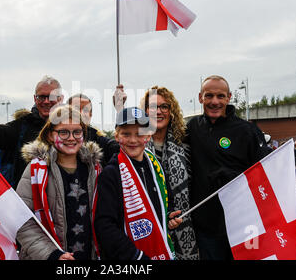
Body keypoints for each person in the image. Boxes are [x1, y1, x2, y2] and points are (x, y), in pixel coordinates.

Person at [185, 75, 269, 260]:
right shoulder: (192, 128)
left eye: (220, 96)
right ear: (200, 98)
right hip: (207, 226)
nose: (214, 101)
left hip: (243, 224)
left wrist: (235, 176)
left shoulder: (248, 131)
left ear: (229, 97)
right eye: (209, 96)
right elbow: (155, 138)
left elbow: (264, 174)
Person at [94, 107, 182, 260]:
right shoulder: (111, 173)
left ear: (148, 136)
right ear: (116, 136)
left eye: (140, 133)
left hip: (159, 251)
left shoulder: (155, 166)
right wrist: (135, 256)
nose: (133, 140)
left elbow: (163, 202)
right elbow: (105, 225)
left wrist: (168, 216)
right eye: (126, 134)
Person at [16, 105, 102, 260]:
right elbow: (22, 220)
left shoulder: (95, 169)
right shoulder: (36, 171)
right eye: (63, 132)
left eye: (77, 131)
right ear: (50, 135)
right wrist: (52, 255)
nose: (71, 138)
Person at [0, 68, 64, 187]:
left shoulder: (75, 128)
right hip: (26, 203)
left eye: (51, 97)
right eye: (42, 97)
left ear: (60, 98)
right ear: (35, 99)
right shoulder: (22, 126)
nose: (46, 101)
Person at [140, 86, 200, 260]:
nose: (158, 112)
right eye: (152, 107)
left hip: (185, 227)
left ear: (171, 111)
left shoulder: (187, 144)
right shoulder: (136, 145)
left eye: (164, 107)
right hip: (150, 229)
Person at [68, 93, 120, 166]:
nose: (81, 113)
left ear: (91, 114)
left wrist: (120, 110)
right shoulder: (57, 140)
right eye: (76, 109)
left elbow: (123, 148)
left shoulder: (101, 143)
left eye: (85, 110)